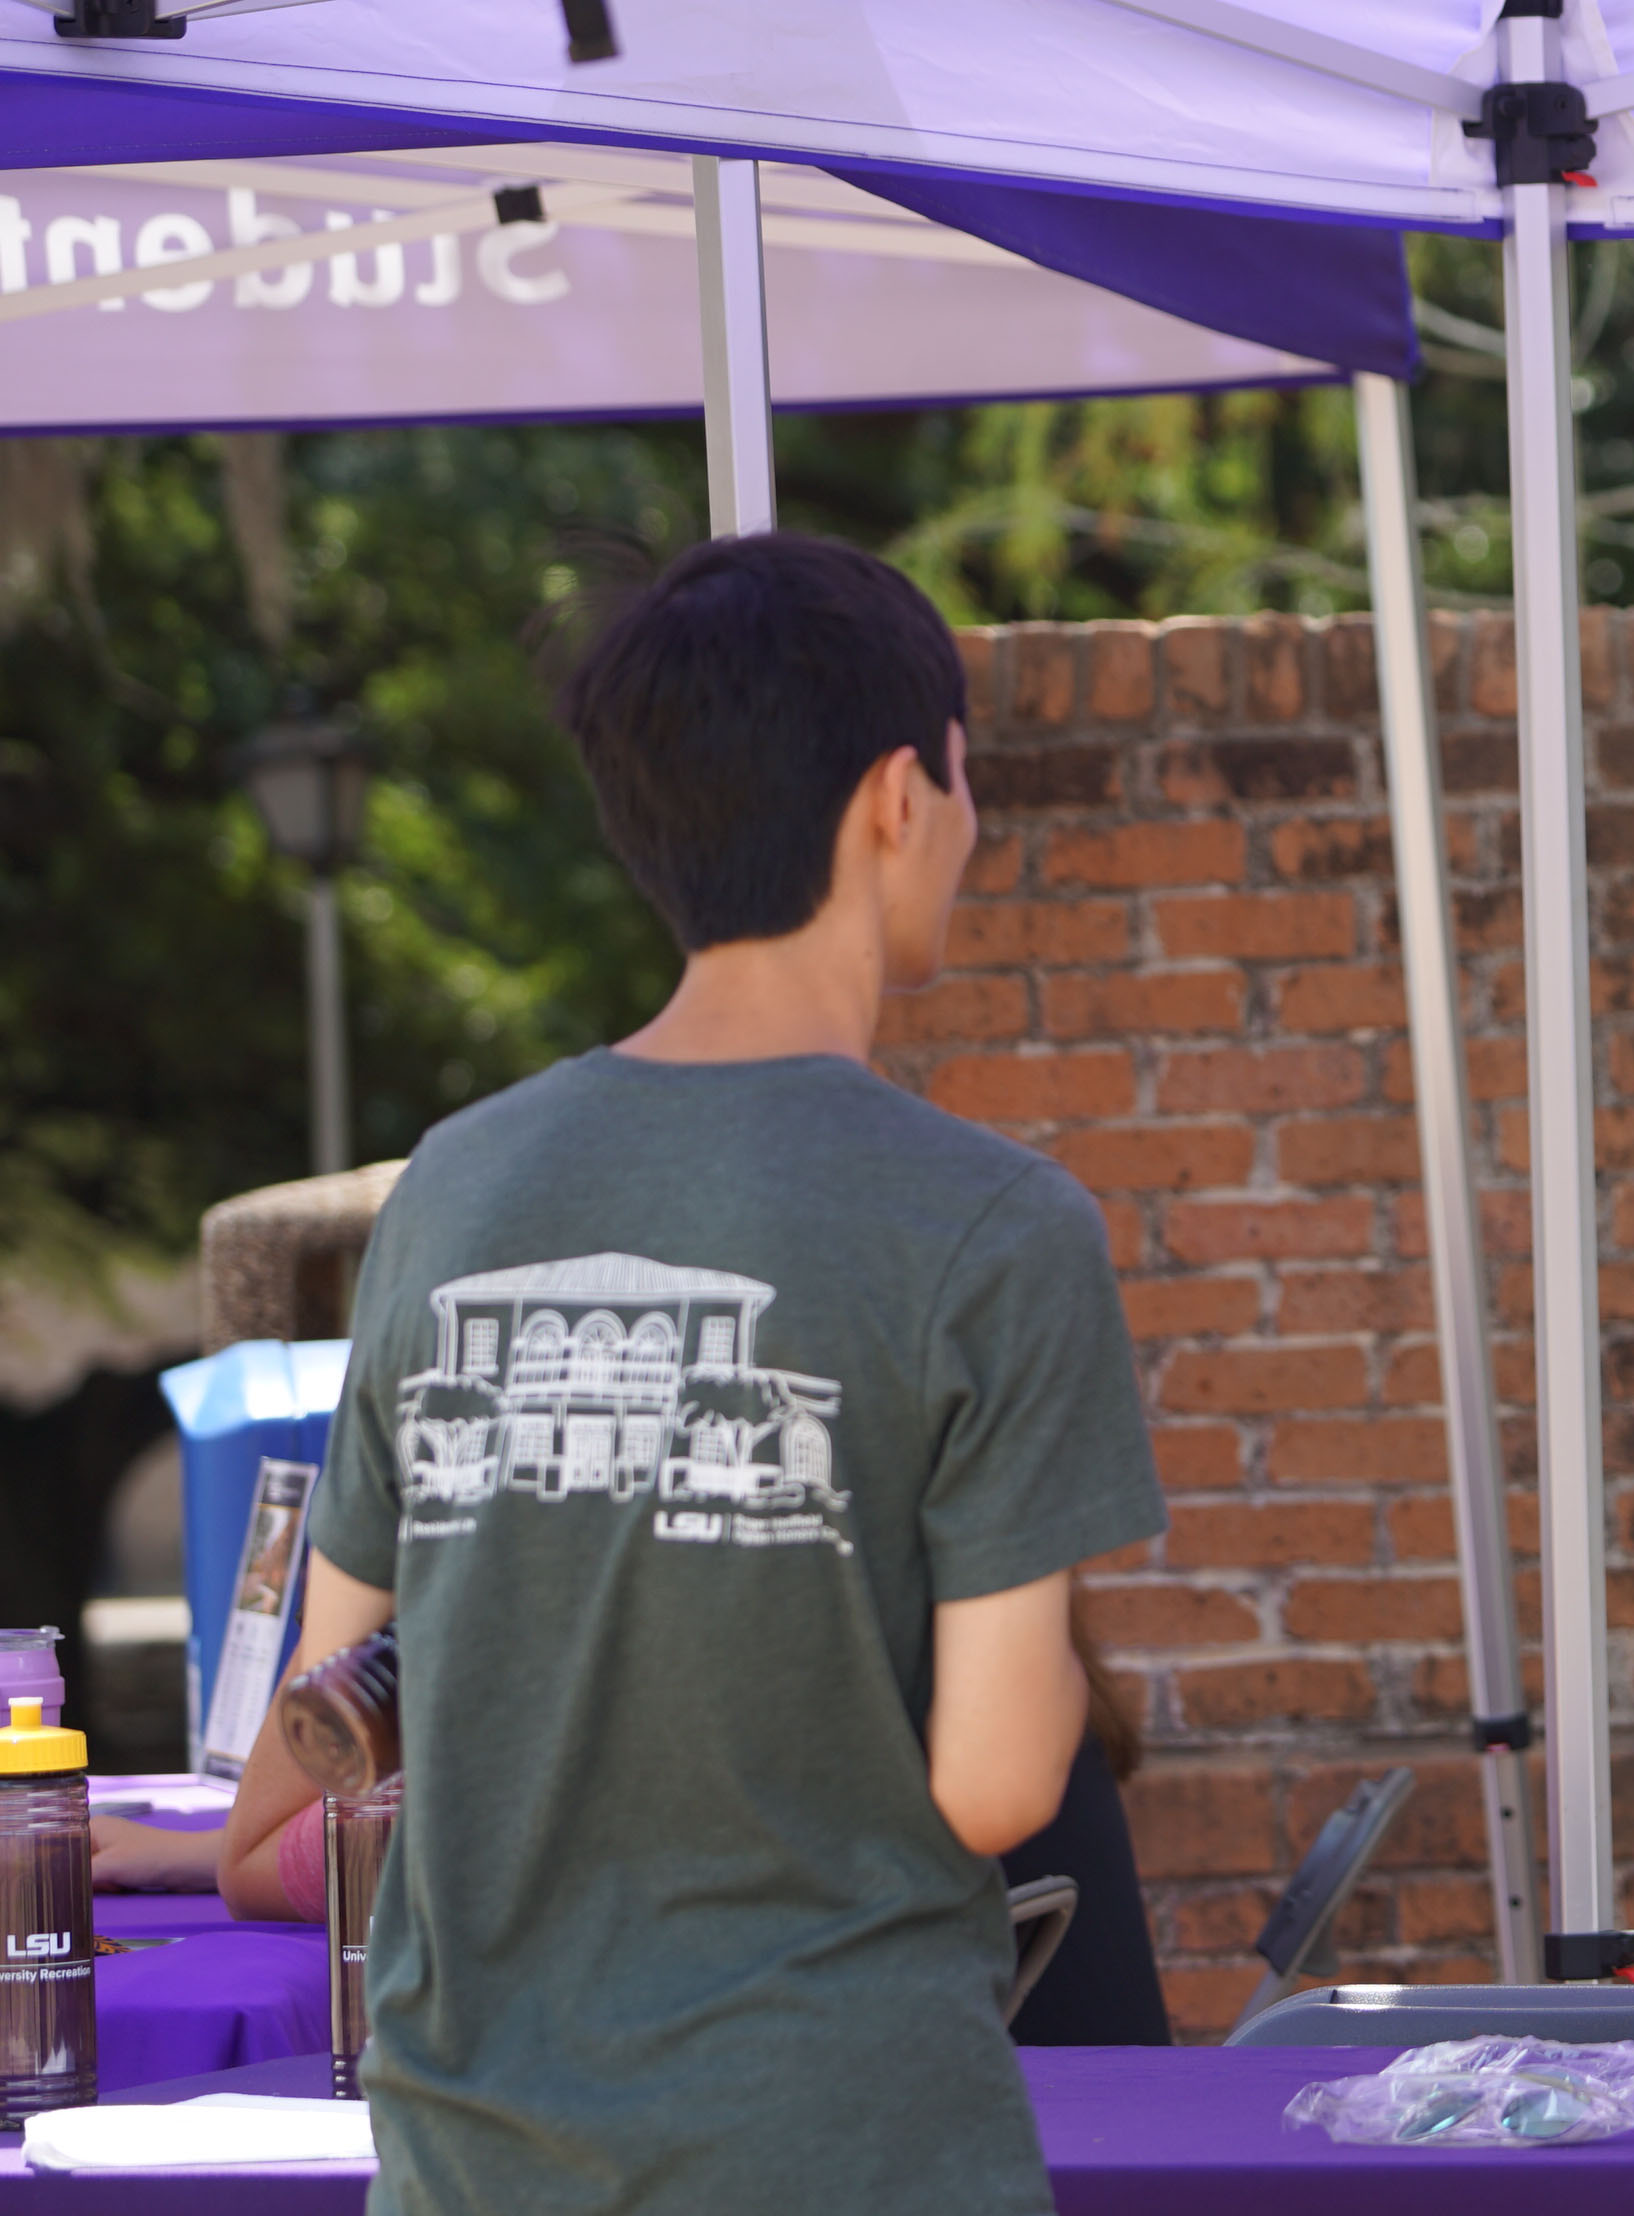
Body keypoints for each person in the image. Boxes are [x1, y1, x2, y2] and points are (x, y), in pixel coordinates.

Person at [219, 532, 1170, 2214]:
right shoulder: (1000, 1226)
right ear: (898, 796)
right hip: (842, 2145)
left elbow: (337, 1697)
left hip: (471, 2152)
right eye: (964, 773)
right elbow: (1001, 1782)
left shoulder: (453, 1185)